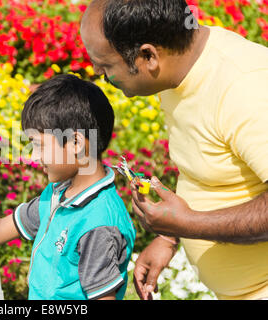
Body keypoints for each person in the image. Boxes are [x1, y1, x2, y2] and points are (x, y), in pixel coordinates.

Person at [81, 0, 268, 300]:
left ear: (148, 56)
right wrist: (170, 237)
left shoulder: (247, 88)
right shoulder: (178, 68)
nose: (97, 72)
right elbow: (207, 166)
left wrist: (190, 224)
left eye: (105, 65)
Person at [0, 74, 136, 300]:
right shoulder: (58, 193)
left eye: (39, 146)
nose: (35, 157)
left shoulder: (98, 224)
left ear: (76, 143)